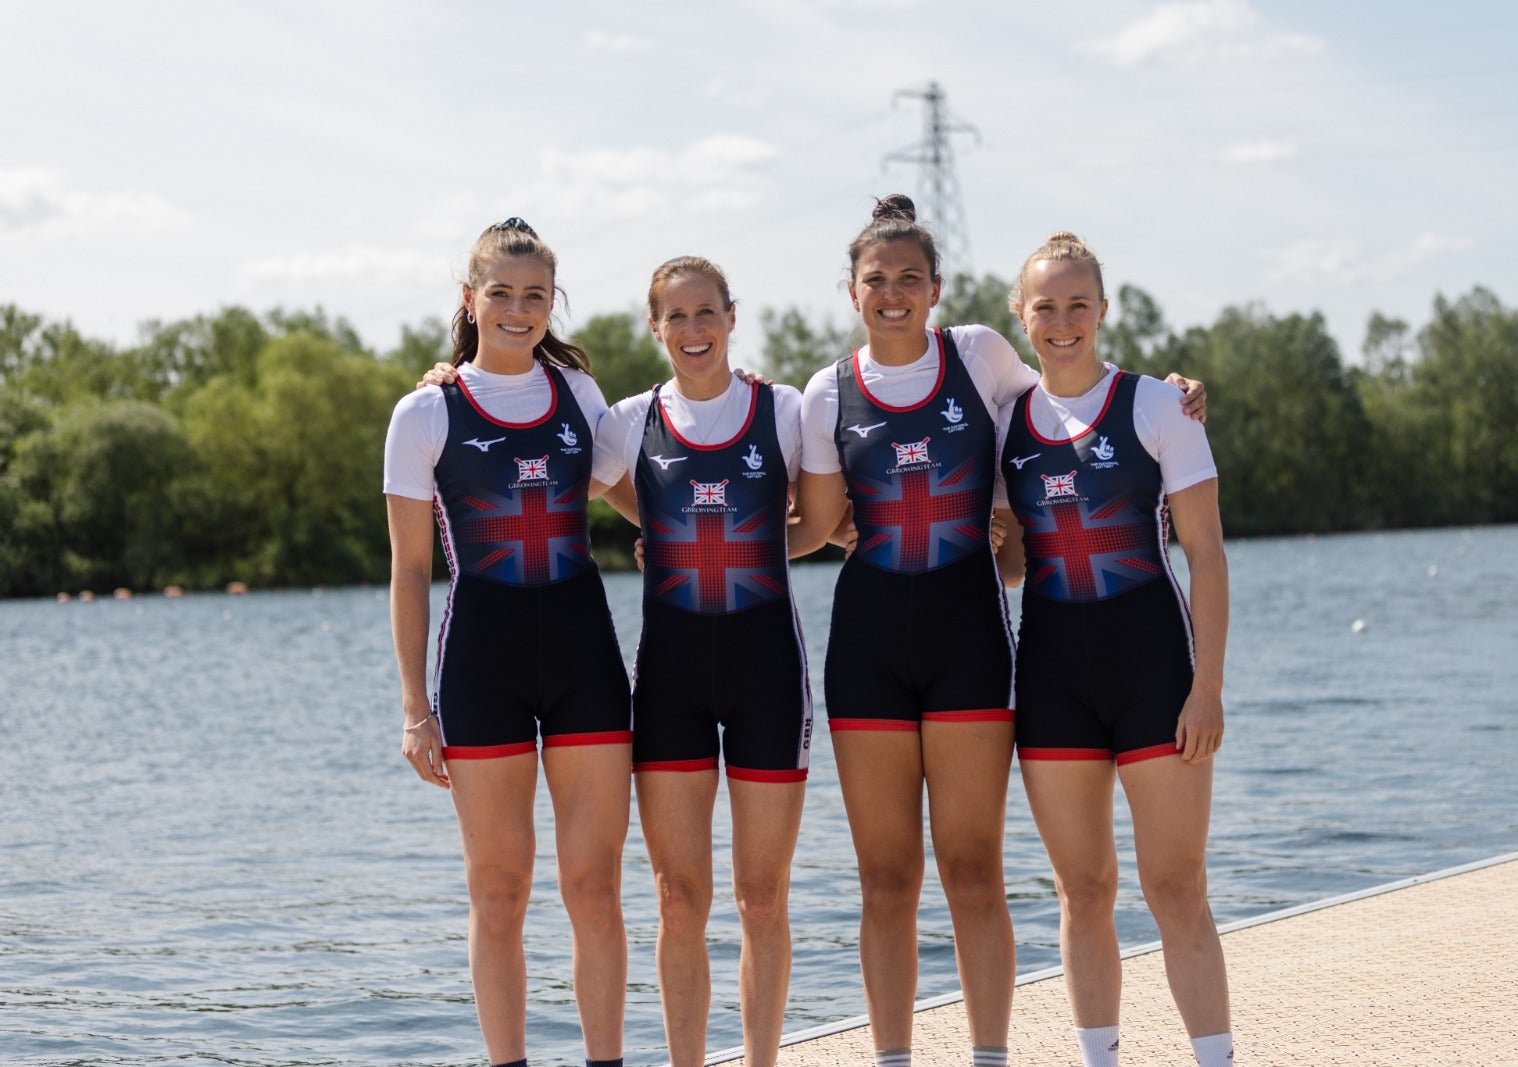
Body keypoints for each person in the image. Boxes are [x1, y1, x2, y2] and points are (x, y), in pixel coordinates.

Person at [786, 196, 1205, 1067]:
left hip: (972, 645)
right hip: (866, 653)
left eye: (910, 278)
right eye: (877, 280)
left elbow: (1078, 396)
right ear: (851, 290)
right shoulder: (826, 390)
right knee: (885, 879)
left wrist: (1174, 394)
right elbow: (820, 519)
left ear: (936, 288)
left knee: (974, 872)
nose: (894, 293)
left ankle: (989, 1057)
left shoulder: (979, 355)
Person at [383, 218, 633, 1067]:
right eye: (501, 292)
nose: (518, 309)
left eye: (535, 295)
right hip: (481, 666)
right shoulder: (424, 413)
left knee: (594, 888)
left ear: (551, 303)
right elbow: (410, 572)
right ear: (470, 299)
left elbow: (653, 491)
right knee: (499, 892)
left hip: (584, 663)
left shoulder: (581, 398)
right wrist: (416, 707)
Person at [992, 231, 1233, 1067]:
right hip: (1054, 682)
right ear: (1021, 315)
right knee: (1083, 892)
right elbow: (1019, 564)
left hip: (1157, 677)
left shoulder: (1159, 406)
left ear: (1103, 310)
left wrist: (1207, 686)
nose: (1062, 321)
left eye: (1077, 304)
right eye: (1045, 306)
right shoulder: (1004, 424)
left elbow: (1205, 551)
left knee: (1176, 890)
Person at [588, 256, 811, 1067]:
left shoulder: (784, 411)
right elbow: (529, 416)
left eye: (705, 313)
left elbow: (824, 520)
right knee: (680, 901)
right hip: (672, 684)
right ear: (655, 328)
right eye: (674, 317)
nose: (692, 330)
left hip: (767, 680)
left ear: (731, 315)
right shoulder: (625, 420)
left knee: (761, 897)